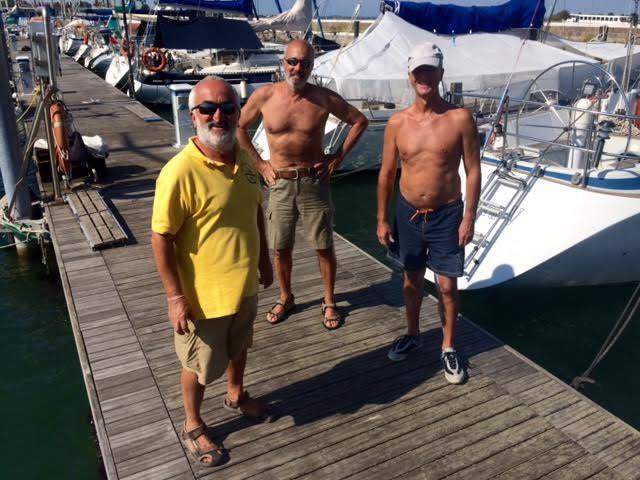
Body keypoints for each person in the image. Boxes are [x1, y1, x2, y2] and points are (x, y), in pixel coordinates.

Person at [151, 77, 273, 467]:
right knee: (197, 365)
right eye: (208, 108)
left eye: (227, 108)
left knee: (240, 346)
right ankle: (192, 423)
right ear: (193, 115)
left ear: (239, 114)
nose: (218, 115)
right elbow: (161, 237)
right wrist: (175, 298)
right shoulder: (179, 171)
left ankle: (236, 393)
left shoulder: (245, 160)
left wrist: (265, 260)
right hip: (203, 298)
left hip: (244, 287)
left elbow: (255, 210)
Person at [238, 39, 368, 330]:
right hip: (280, 183)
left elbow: (359, 121)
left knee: (324, 246)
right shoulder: (265, 95)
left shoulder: (322, 98)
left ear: (312, 66)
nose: (298, 68)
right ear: (283, 63)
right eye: (293, 62)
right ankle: (286, 297)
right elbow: (239, 126)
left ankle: (329, 299)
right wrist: (260, 164)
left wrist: (337, 157)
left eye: (305, 63)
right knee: (281, 247)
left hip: (313, 182)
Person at [376, 43, 481, 384]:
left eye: (430, 70)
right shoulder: (396, 122)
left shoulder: (459, 118)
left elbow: (473, 170)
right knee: (411, 280)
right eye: (418, 71)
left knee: (448, 285)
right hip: (407, 214)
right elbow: (387, 174)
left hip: (447, 214)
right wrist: (381, 218)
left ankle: (448, 346)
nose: (424, 77)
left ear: (440, 74)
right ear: (410, 76)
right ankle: (412, 333)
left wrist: (469, 218)